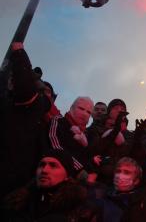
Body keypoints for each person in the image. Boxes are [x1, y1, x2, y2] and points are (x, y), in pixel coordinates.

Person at [0, 42, 51, 198]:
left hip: (11, 182)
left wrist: (20, 54)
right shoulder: (9, 103)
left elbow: (25, 89)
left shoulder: (34, 104)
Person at [2, 149, 99, 221]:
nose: (44, 170)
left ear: (67, 176)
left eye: (53, 166)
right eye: (41, 165)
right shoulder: (18, 201)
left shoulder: (77, 208)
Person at [47, 96, 96, 181]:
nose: (84, 113)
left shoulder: (86, 136)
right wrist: (79, 170)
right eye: (81, 108)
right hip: (58, 177)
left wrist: (91, 172)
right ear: (71, 108)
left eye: (88, 112)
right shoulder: (59, 121)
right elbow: (56, 147)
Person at [92, 157, 143, 222]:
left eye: (127, 172)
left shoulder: (135, 205)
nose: (120, 176)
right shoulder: (104, 192)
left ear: (136, 180)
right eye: (118, 171)